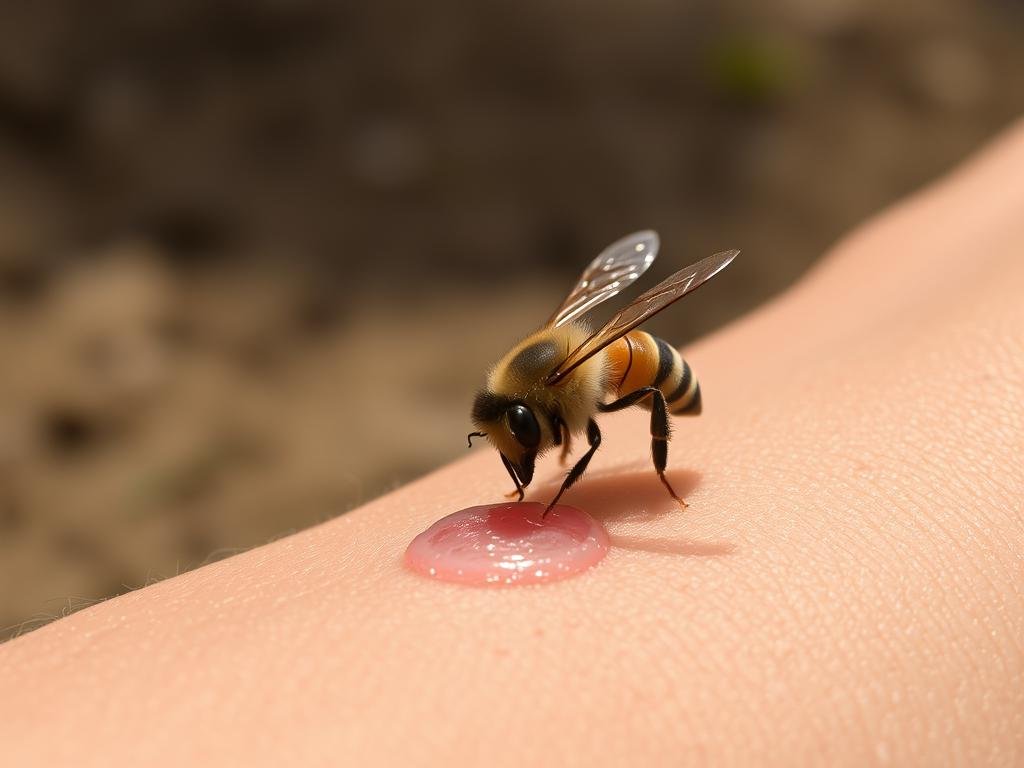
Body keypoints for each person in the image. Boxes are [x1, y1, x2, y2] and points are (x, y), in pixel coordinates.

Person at [1, 121, 1022, 767]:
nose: (517, 453)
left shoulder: (575, 387)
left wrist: (640, 479)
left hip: (642, 367)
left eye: (520, 438)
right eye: (511, 442)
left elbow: (611, 355)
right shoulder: (522, 392)